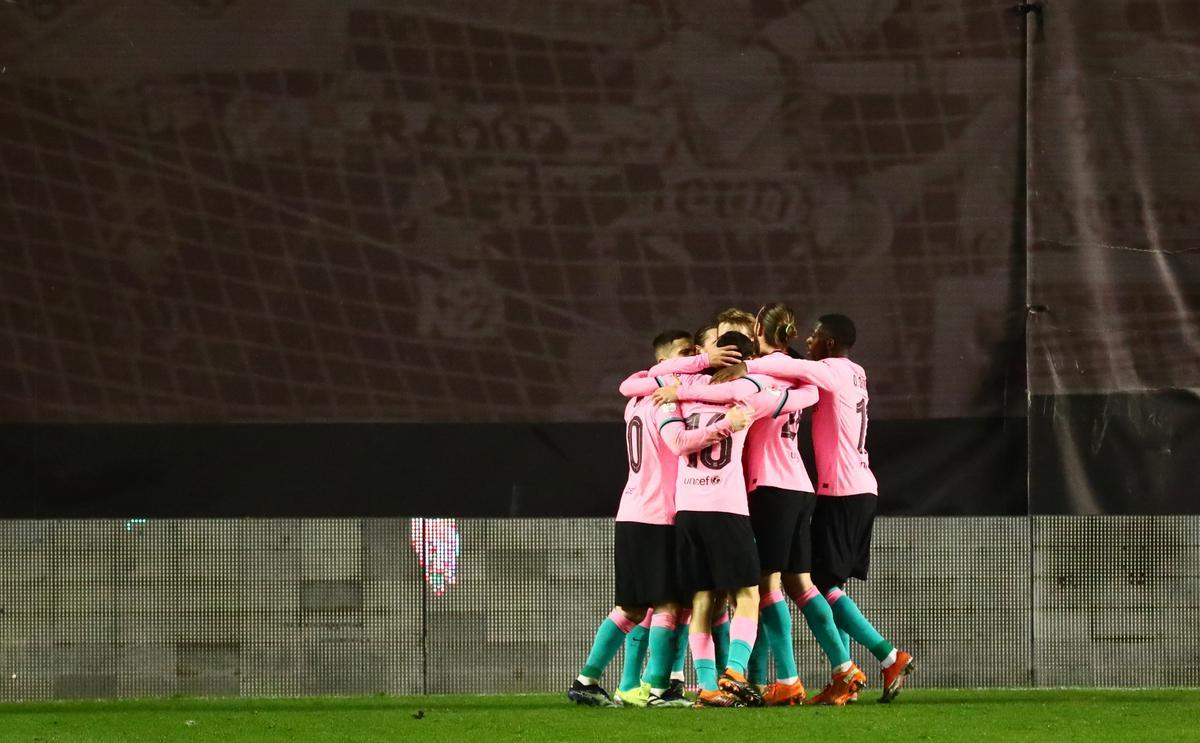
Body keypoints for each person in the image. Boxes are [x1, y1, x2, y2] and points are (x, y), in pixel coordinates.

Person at [716, 313, 915, 703]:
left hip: (828, 490)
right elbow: (796, 376)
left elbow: (783, 366)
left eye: (815, 335)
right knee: (813, 583)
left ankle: (883, 657)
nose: (808, 340)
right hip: (833, 487)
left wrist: (736, 366)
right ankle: (844, 677)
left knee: (802, 585)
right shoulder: (843, 374)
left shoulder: (824, 371)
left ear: (827, 342)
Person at [567, 330, 697, 707]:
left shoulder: (636, 401)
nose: (690, 359)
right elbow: (679, 444)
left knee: (632, 606)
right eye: (683, 353)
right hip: (659, 515)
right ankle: (658, 691)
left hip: (633, 512)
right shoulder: (666, 402)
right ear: (662, 363)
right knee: (669, 604)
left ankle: (586, 679)